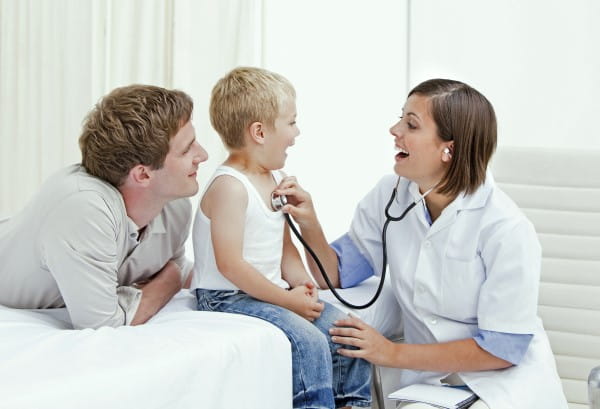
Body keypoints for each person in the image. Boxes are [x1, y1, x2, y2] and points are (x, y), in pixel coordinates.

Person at [274, 79, 568, 409]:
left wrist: (390, 352)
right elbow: (337, 275)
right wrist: (309, 222)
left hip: (504, 386)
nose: (394, 129)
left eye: (411, 124)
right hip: (431, 385)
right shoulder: (392, 193)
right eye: (401, 118)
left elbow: (503, 349)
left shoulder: (505, 227)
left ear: (449, 150)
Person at [191, 67, 371, 409]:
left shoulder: (276, 178)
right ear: (259, 131)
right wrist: (287, 301)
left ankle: (354, 403)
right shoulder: (230, 187)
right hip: (225, 296)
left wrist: (303, 285)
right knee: (309, 342)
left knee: (349, 331)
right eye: (291, 122)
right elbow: (231, 266)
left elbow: (285, 248)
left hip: (264, 292)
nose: (296, 132)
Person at [0, 84, 208, 329]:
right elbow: (102, 323)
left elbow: (174, 267)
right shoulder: (84, 209)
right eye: (187, 149)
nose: (203, 155)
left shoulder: (175, 206)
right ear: (142, 175)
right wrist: (170, 282)